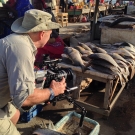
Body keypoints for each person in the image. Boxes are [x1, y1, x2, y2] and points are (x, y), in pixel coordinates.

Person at [0, 9, 66, 135]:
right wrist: (53, 91)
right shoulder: (21, 48)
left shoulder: (17, 40)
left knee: (15, 115)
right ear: (42, 34)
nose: (50, 37)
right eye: (50, 34)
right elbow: (25, 99)